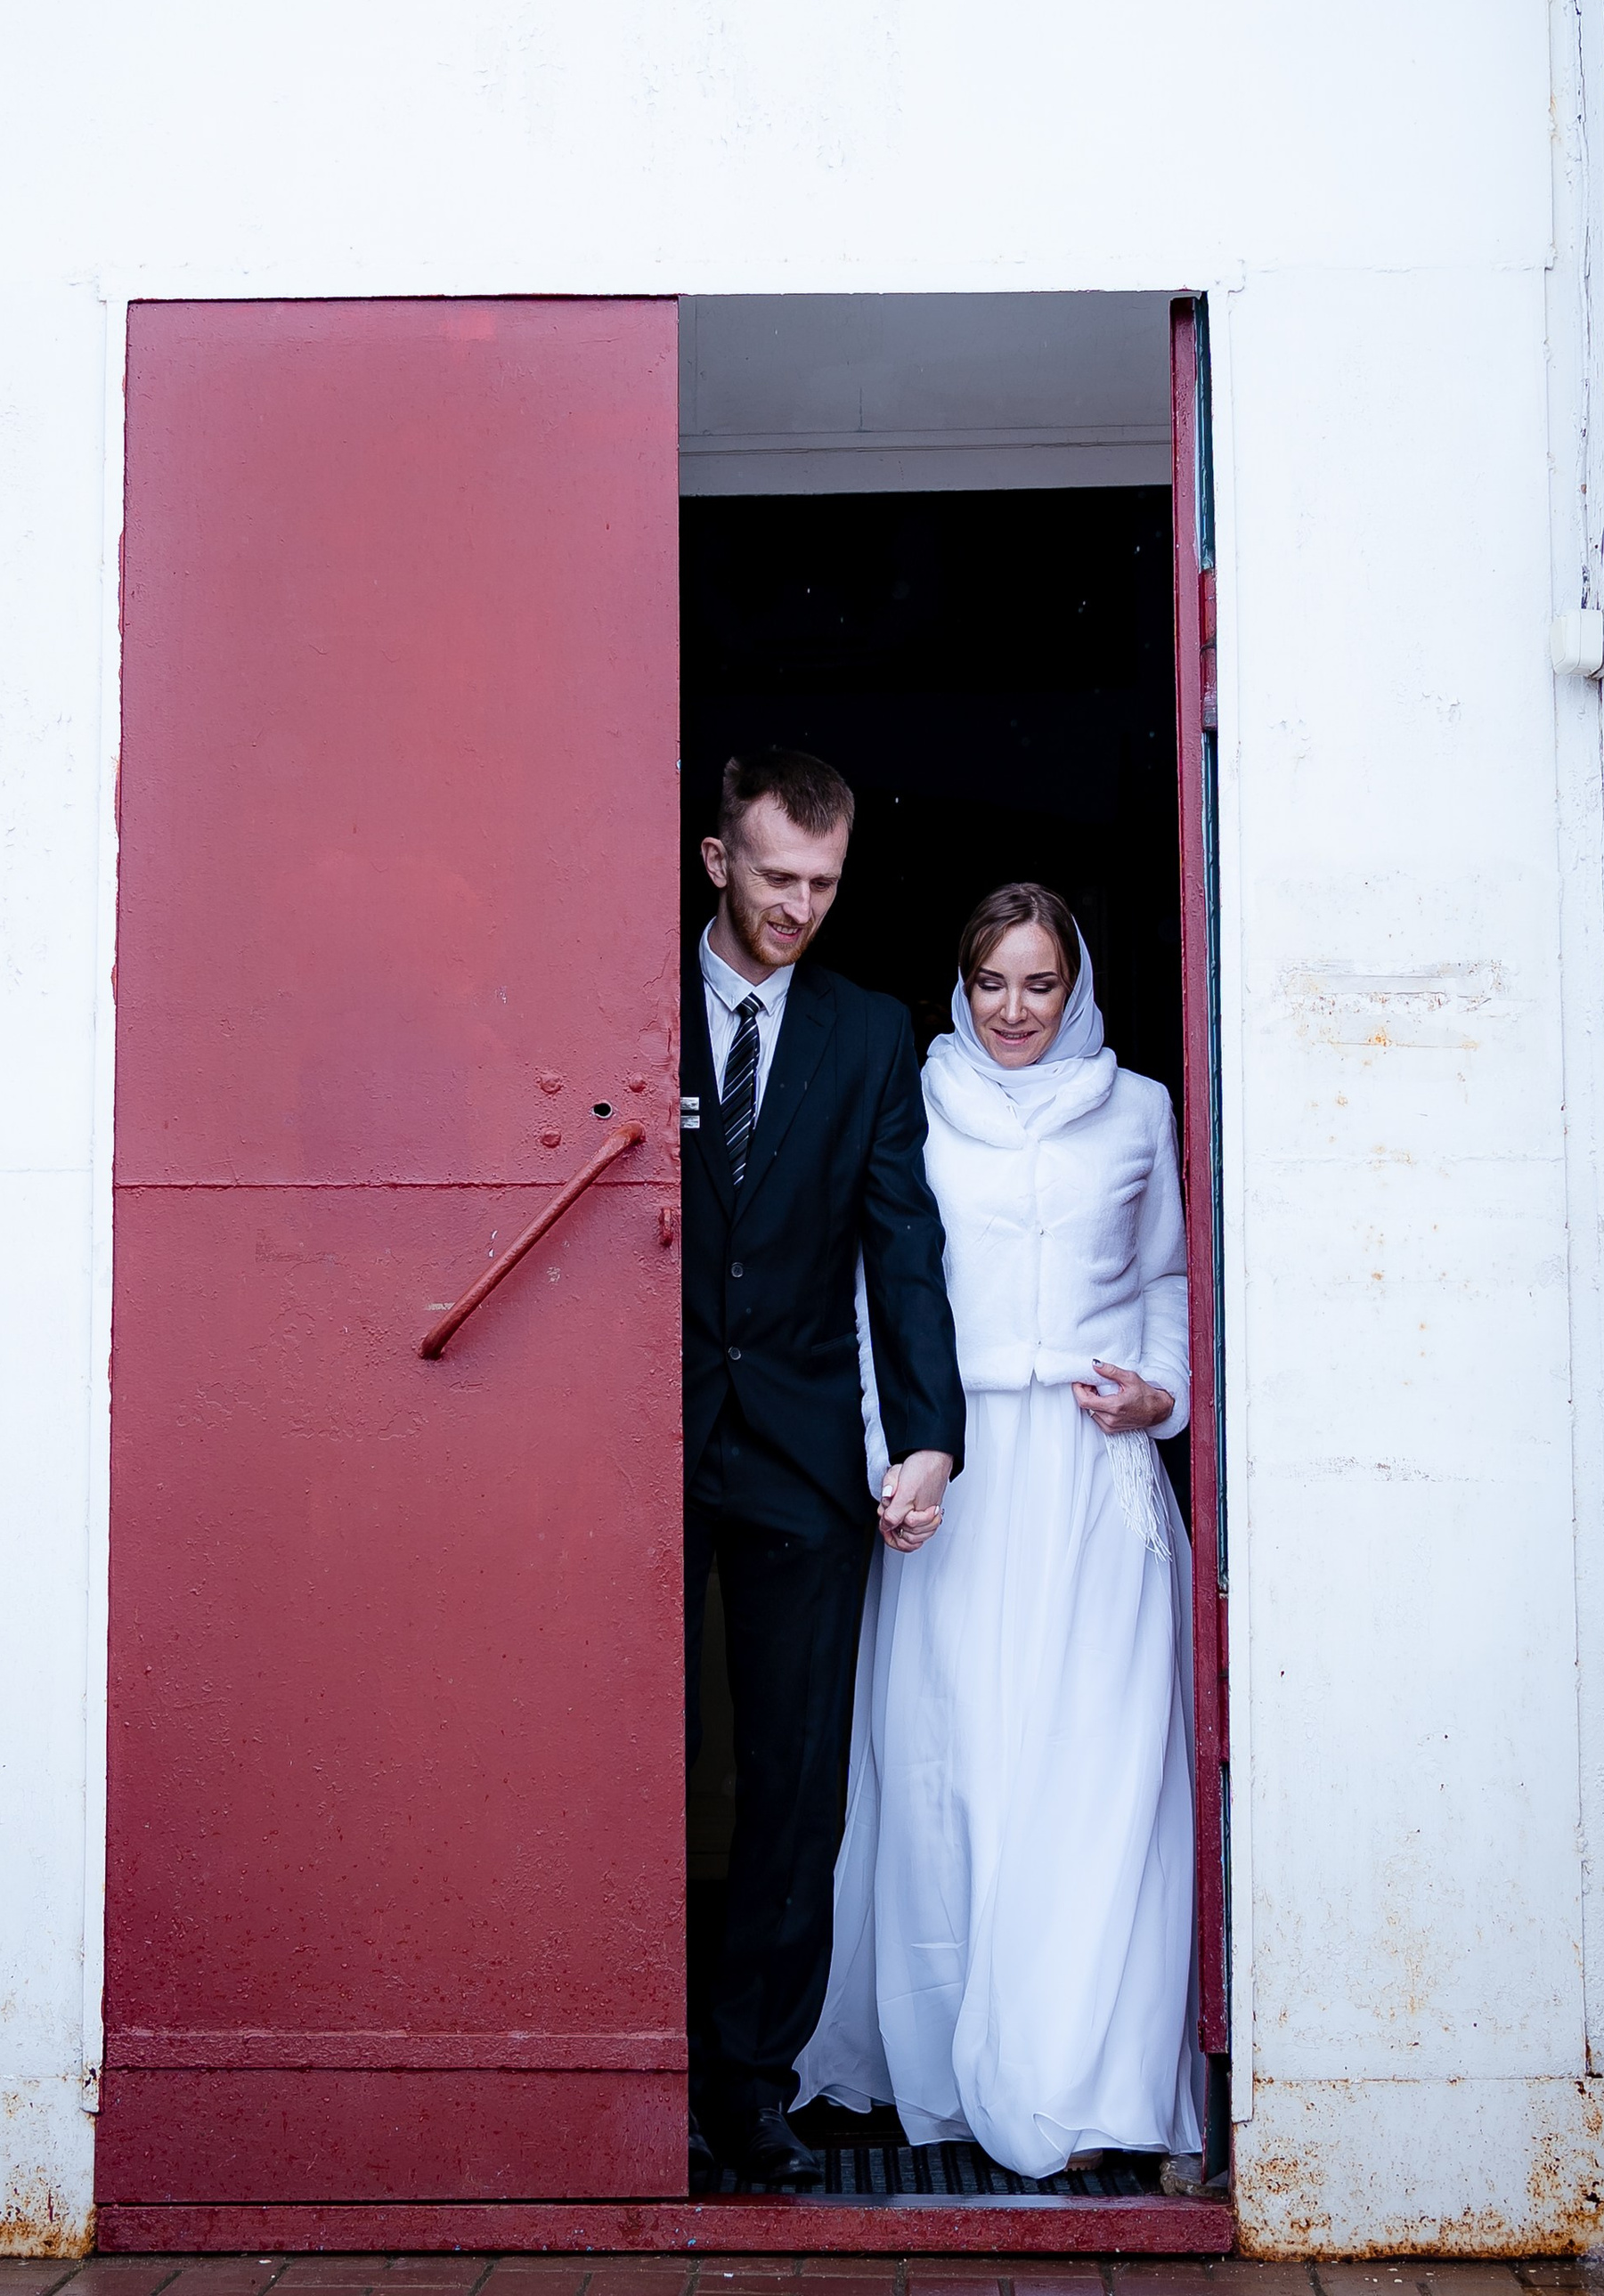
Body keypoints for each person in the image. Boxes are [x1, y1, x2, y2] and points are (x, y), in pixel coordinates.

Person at [794, 879, 1203, 2183]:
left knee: (1088, 1769)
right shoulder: (920, 1102)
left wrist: (1162, 1388)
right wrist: (891, 1453)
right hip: (954, 1466)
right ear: (959, 989)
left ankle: (1079, 2076)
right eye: (990, 982)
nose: (1014, 1008)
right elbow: (874, 1286)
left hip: (1092, 1474)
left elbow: (1169, 1279)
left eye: (1039, 981)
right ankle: (945, 2070)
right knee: (951, 1763)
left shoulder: (1140, 1109)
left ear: (1075, 985)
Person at [682, 747, 965, 2195]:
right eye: (778, 876)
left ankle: (749, 2089)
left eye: (826, 883)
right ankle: (611, 2066)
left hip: (803, 1451)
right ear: (717, 859)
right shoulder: (622, 991)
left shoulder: (867, 1033)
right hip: (639, 1446)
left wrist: (927, 1429)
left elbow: (899, 1236)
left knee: (795, 1782)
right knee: (625, 1757)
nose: (801, 906)